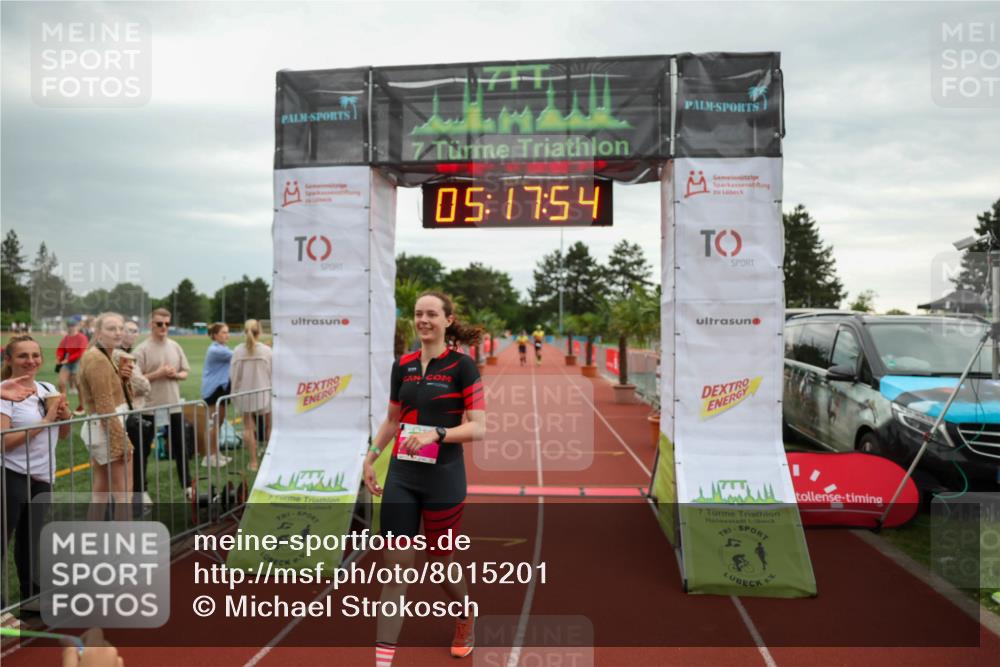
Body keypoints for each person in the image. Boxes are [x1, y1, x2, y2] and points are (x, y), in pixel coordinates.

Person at [362, 291, 486, 665]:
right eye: (418, 314)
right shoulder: (403, 365)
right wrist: (371, 457)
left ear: (448, 320)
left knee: (441, 563)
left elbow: (479, 428)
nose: (423, 320)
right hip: (402, 474)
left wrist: (438, 434)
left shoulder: (462, 367)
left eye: (431, 314)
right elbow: (393, 418)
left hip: (444, 477)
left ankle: (465, 614)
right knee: (395, 570)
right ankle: (383, 661)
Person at [1, 335, 71, 610]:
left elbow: (63, 435)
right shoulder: (4, 394)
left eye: (35, 355)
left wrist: (65, 417)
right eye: (22, 356)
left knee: (31, 542)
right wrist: (46, 420)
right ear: (8, 360)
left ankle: (32, 600)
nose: (30, 361)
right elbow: (4, 442)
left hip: (43, 476)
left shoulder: (47, 388)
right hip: (11, 474)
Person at [133, 309, 194, 497]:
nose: (164, 327)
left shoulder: (175, 346)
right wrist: (157, 374)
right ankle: (141, 490)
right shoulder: (141, 350)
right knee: (143, 452)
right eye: (160, 324)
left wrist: (175, 374)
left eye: (167, 324)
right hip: (149, 408)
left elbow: (185, 371)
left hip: (173, 405)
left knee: (181, 448)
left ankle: (187, 486)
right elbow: (135, 381)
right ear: (151, 324)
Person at [78, 313, 134, 519]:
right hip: (106, 427)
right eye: (112, 328)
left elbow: (112, 396)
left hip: (101, 426)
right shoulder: (98, 359)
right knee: (124, 491)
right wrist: (120, 440)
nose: (118, 332)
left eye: (121, 327)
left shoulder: (104, 355)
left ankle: (93, 536)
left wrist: (123, 378)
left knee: (101, 489)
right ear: (98, 332)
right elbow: (104, 405)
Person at [113, 349, 153, 508]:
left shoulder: (123, 356)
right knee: (124, 466)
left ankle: (133, 501)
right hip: (120, 420)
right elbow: (143, 385)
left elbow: (142, 385)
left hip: (127, 416)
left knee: (134, 461)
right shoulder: (115, 356)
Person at [230, 319, 271, 471]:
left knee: (248, 428)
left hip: (245, 394)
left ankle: (253, 462)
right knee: (269, 426)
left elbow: (234, 375)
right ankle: (270, 459)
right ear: (259, 332)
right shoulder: (267, 351)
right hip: (264, 392)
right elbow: (272, 373)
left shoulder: (237, 350)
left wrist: (234, 393)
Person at [201, 323, 233, 468]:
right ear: (214, 335)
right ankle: (209, 457)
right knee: (214, 424)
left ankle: (215, 453)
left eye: (227, 332)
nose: (227, 335)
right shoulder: (215, 350)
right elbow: (237, 355)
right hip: (214, 390)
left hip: (221, 389)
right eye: (223, 333)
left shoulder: (222, 348)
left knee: (219, 423)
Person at [56, 321, 89, 415]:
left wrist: (69, 359)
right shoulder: (66, 338)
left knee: (79, 385)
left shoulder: (82, 337)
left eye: (73, 325)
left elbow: (81, 351)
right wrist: (59, 357)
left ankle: (82, 406)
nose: (71, 327)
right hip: (68, 362)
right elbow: (61, 349)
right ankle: (64, 406)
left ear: (77, 326)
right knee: (61, 383)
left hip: (78, 361)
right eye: (69, 326)